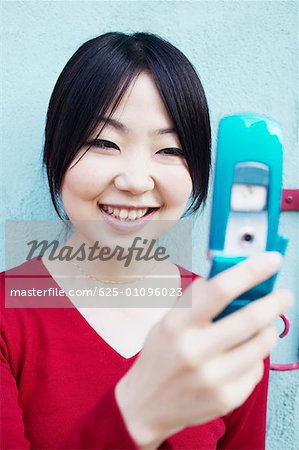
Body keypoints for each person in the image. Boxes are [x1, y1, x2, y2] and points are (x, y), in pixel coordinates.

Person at [0, 32, 292, 449]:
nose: (136, 181)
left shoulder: (228, 322)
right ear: (56, 152)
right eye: (103, 142)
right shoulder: (7, 314)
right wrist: (139, 413)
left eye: (169, 150)